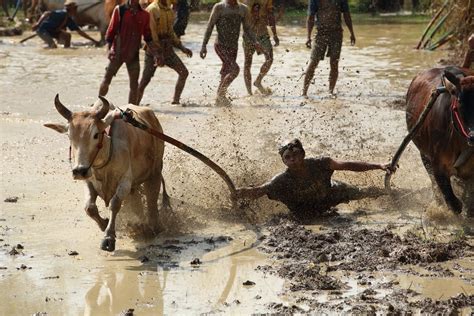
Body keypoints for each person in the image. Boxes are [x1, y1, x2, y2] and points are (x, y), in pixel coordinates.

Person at [233, 139, 395, 219]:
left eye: (296, 155)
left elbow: (348, 165)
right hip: (304, 211)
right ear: (283, 161)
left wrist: (378, 165)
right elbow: (259, 191)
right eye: (287, 157)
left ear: (303, 154)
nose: (292, 160)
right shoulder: (280, 181)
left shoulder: (321, 163)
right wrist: (239, 194)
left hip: (331, 193)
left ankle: (395, 194)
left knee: (363, 192)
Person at [200, 0, 263, 106]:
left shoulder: (243, 9)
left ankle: (219, 101)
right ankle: (221, 95)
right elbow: (210, 26)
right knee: (235, 69)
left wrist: (255, 42)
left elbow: (247, 28)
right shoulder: (219, 7)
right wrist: (203, 46)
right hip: (220, 45)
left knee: (226, 71)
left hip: (233, 47)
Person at [99, 0, 157, 105]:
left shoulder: (144, 15)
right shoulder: (120, 10)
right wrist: (109, 50)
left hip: (133, 55)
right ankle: (99, 104)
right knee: (107, 79)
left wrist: (157, 54)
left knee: (134, 85)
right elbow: (110, 32)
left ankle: (130, 111)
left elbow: (148, 38)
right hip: (117, 53)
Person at [137, 0, 193, 105]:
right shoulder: (152, 10)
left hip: (167, 49)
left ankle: (175, 102)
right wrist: (157, 54)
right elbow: (150, 34)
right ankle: (134, 105)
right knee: (145, 80)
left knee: (183, 72)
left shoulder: (169, 9)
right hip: (153, 51)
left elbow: (171, 32)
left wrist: (182, 47)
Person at [302, 0, 355, 98]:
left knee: (334, 63)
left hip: (337, 33)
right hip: (320, 33)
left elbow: (347, 15)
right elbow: (310, 18)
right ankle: (304, 92)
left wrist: (352, 33)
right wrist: (308, 37)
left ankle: (331, 92)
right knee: (314, 62)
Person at [242, 0, 279, 96]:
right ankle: (249, 93)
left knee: (269, 59)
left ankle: (258, 81)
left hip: (263, 34)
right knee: (247, 63)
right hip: (248, 36)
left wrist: (274, 34)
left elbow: (270, 16)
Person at [32, 0, 100, 49]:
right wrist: (38, 23)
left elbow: (80, 32)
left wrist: (93, 41)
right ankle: (45, 48)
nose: (76, 10)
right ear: (72, 9)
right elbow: (46, 13)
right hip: (43, 30)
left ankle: (66, 48)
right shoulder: (61, 13)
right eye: (75, 8)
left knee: (67, 36)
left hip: (53, 31)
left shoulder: (69, 19)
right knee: (53, 46)